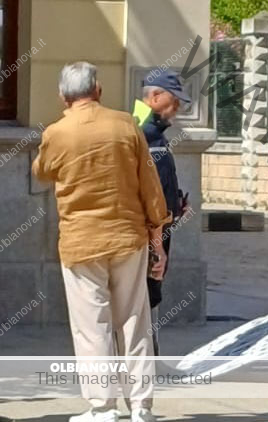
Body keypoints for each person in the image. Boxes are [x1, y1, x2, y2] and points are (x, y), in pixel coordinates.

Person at [32, 62, 170, 422]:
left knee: (91, 327)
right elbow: (150, 184)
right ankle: (141, 406)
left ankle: (102, 407)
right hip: (128, 237)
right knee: (135, 321)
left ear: (62, 96)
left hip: (81, 243)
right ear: (98, 90)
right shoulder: (125, 124)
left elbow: (41, 171)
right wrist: (157, 238)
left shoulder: (57, 133)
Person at [132, 70, 191, 355]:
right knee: (146, 296)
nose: (177, 107)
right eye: (173, 99)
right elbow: (146, 192)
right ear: (154, 96)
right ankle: (144, 364)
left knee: (149, 297)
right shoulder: (144, 133)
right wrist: (156, 245)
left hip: (159, 229)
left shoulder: (153, 131)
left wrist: (176, 204)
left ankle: (147, 361)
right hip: (150, 234)